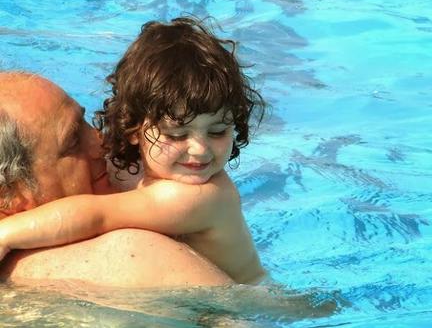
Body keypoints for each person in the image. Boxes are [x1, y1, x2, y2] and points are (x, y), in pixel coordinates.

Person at [0, 17, 267, 284]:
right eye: (177, 134)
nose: (199, 149)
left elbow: (95, 215)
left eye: (218, 132)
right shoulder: (130, 172)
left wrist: (6, 234)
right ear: (134, 131)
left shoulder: (199, 195)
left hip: (252, 302)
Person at [0, 71, 233, 288]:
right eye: (73, 140)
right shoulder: (135, 257)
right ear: (8, 196)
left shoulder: (157, 185)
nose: (102, 141)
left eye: (85, 122)